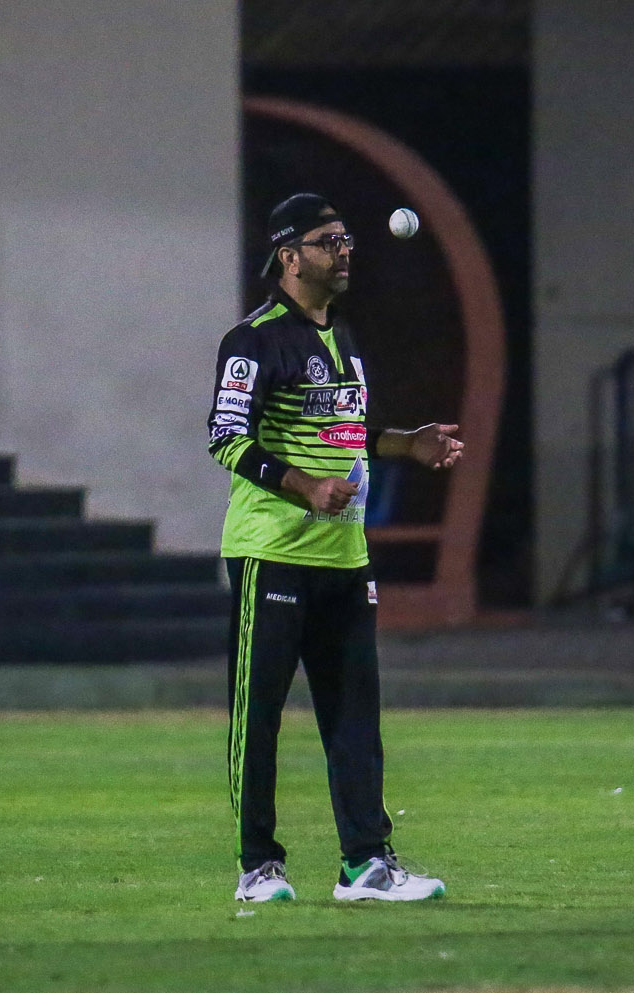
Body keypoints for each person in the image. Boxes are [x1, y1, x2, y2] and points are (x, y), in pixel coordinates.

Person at [207, 193, 463, 902]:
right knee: (258, 718)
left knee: (354, 721)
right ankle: (258, 866)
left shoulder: (342, 339)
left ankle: (366, 865)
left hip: (344, 558)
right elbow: (226, 437)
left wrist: (406, 443)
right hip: (271, 551)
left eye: (346, 239)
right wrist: (302, 486)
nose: (345, 251)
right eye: (328, 242)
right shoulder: (254, 340)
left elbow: (344, 433)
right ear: (289, 256)